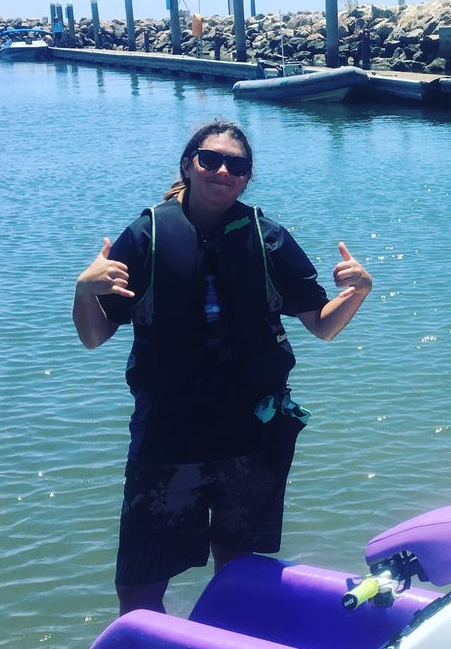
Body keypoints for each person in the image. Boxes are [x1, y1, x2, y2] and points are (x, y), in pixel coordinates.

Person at [73, 119, 372, 615]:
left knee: (238, 574)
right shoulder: (147, 236)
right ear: (188, 166)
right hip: (168, 439)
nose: (222, 171)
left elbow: (322, 324)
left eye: (236, 165)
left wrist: (359, 291)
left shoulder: (268, 238)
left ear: (247, 177)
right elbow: (93, 336)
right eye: (210, 159)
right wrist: (84, 291)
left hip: (250, 439)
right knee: (138, 588)